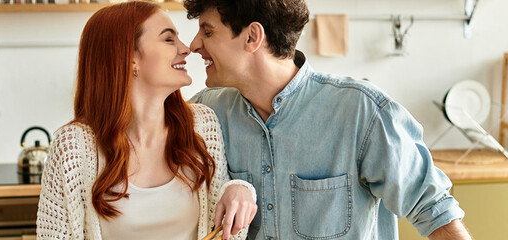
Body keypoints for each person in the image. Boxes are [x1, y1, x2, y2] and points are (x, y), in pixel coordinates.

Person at [184, 0, 472, 239]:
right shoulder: (207, 114)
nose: (194, 44)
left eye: (207, 33)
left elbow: (437, 215)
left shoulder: (362, 111)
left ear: (252, 37)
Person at [36, 2, 258, 239]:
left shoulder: (202, 125)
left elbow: (222, 214)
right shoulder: (73, 147)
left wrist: (240, 189)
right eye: (168, 39)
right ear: (130, 58)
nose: (186, 49)